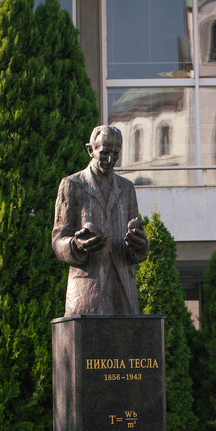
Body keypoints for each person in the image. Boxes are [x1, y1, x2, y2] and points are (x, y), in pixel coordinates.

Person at [52, 125, 150, 315]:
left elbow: (136, 237)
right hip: (87, 290)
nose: (111, 160)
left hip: (123, 292)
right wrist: (76, 245)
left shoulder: (127, 188)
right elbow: (58, 240)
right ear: (91, 150)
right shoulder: (72, 185)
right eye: (105, 153)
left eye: (116, 154)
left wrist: (140, 246)